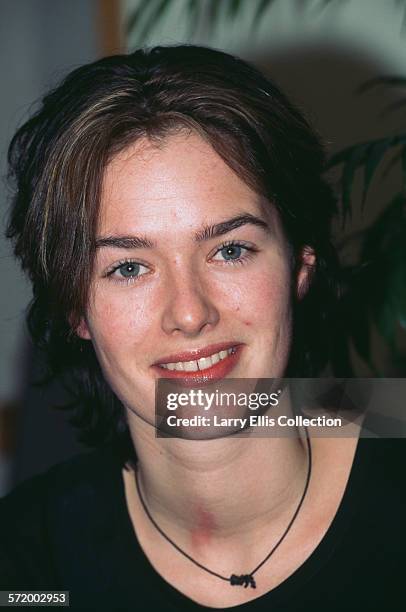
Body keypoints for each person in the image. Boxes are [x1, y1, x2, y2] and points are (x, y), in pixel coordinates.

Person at [0, 45, 404, 611]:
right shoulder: (26, 567)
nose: (189, 313)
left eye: (230, 250)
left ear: (300, 267)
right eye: (129, 267)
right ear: (75, 311)